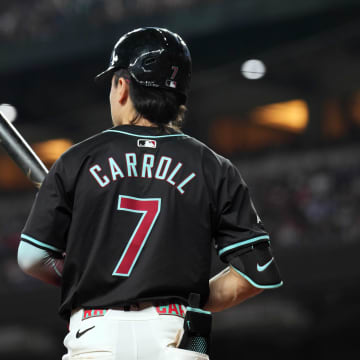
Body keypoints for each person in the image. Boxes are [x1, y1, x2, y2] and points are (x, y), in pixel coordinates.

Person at [17, 27, 283, 360]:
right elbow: (255, 273)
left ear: (122, 86)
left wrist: (82, 271)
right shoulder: (214, 166)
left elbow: (30, 258)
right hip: (176, 335)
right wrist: (190, 295)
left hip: (96, 335)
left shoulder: (77, 160)